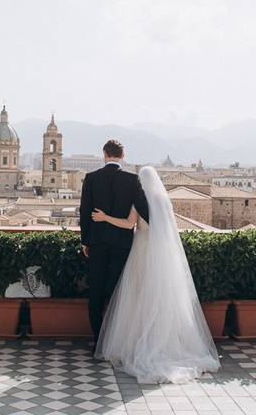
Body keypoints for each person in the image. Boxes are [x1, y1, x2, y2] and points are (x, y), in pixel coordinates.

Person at [91, 164, 220, 384]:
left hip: (141, 250)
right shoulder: (164, 202)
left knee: (138, 296)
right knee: (160, 298)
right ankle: (162, 341)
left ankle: (138, 342)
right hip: (161, 252)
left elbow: (128, 224)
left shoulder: (139, 201)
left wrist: (105, 218)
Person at [80, 139, 150, 340]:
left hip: (96, 242)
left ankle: (97, 340)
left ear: (104, 154)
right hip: (122, 243)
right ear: (123, 156)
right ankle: (114, 340)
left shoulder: (91, 178)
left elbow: (85, 212)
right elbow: (143, 210)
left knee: (96, 291)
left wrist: (85, 241)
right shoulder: (132, 180)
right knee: (117, 291)